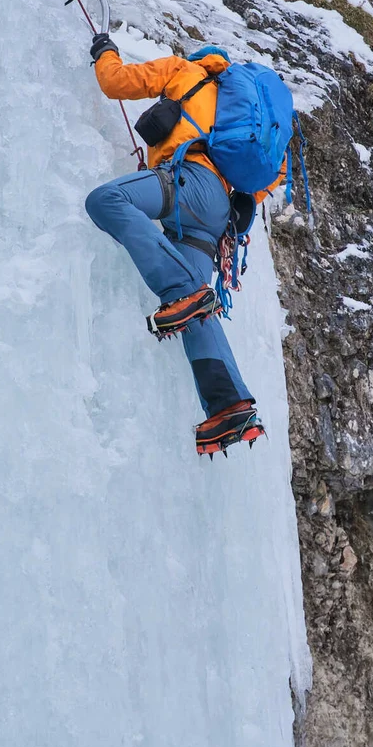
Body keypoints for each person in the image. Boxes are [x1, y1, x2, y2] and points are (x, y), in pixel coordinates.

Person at [83, 36, 280, 456]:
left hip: (188, 183)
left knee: (106, 200)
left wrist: (104, 51)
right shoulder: (244, 126)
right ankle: (230, 406)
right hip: (216, 218)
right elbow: (270, 179)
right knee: (197, 309)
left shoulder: (183, 70)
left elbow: (116, 82)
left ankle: (181, 289)